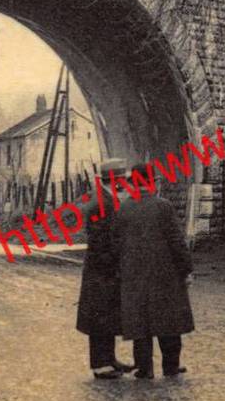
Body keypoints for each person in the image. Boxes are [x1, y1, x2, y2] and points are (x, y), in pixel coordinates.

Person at [119, 189, 195, 378]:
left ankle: (144, 368)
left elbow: (117, 241)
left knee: (140, 321)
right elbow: (176, 240)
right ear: (152, 183)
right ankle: (171, 366)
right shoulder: (163, 206)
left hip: (135, 274)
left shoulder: (125, 207)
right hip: (165, 273)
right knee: (169, 321)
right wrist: (186, 268)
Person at [77, 159, 133, 379]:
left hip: (102, 268)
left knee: (107, 314)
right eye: (123, 179)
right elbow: (101, 240)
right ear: (116, 179)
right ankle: (100, 364)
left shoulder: (104, 198)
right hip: (101, 268)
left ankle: (109, 358)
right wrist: (115, 260)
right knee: (100, 316)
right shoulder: (103, 203)